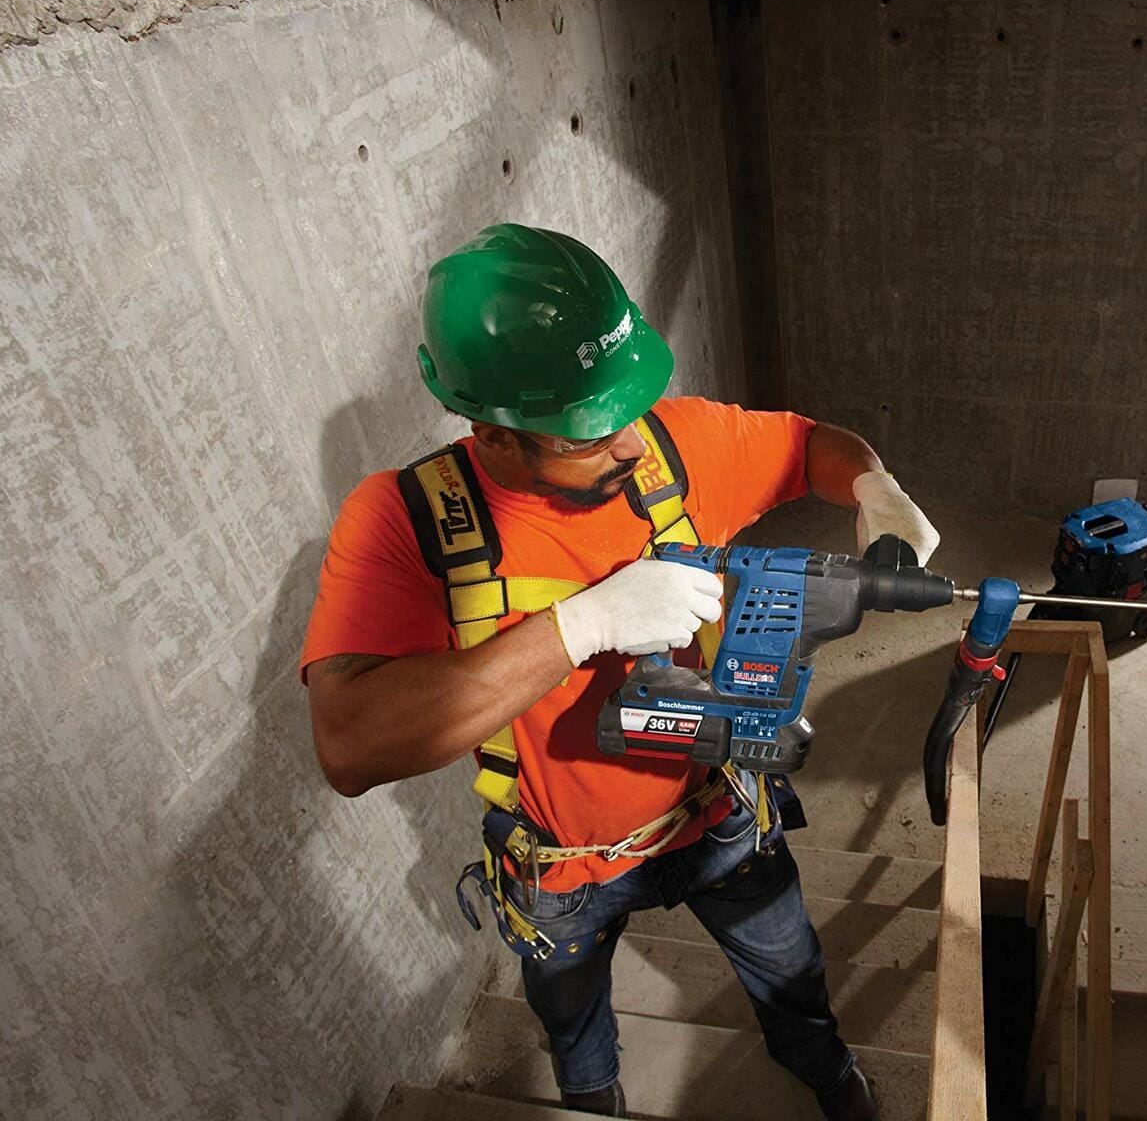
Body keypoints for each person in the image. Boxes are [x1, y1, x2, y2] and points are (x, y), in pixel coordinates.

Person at [300, 224, 939, 1119]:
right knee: (571, 1022)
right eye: (592, 433)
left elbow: (809, 447)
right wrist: (579, 625)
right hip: (563, 871)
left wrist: (877, 489)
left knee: (790, 964)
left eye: (629, 408)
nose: (631, 446)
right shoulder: (404, 525)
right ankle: (592, 1103)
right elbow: (348, 745)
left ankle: (823, 1065)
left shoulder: (675, 444)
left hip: (719, 815)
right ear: (494, 432)